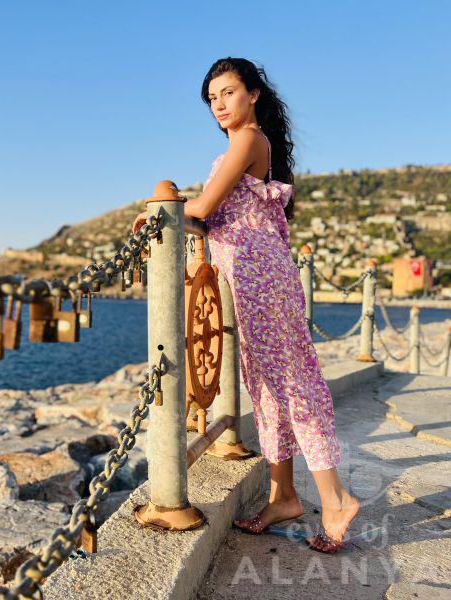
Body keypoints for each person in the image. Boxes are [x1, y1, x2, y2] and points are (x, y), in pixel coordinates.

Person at [132, 57, 359, 553]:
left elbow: (203, 209)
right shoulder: (245, 144)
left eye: (228, 92)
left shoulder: (248, 140)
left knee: (293, 384)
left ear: (253, 94)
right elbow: (211, 221)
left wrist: (159, 213)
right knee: (269, 387)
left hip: (263, 277)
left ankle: (336, 499)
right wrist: (179, 218)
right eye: (211, 98)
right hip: (255, 277)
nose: (218, 104)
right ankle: (283, 496)